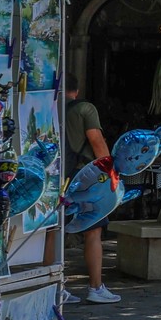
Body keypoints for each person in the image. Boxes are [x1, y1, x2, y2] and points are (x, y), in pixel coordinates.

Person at [62, 86, 118, 305]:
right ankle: (96, 287)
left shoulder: (49, 105)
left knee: (53, 232)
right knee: (93, 230)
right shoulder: (85, 108)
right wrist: (110, 173)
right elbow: (96, 140)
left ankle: (55, 288)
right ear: (76, 90)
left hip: (57, 175)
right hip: (84, 176)